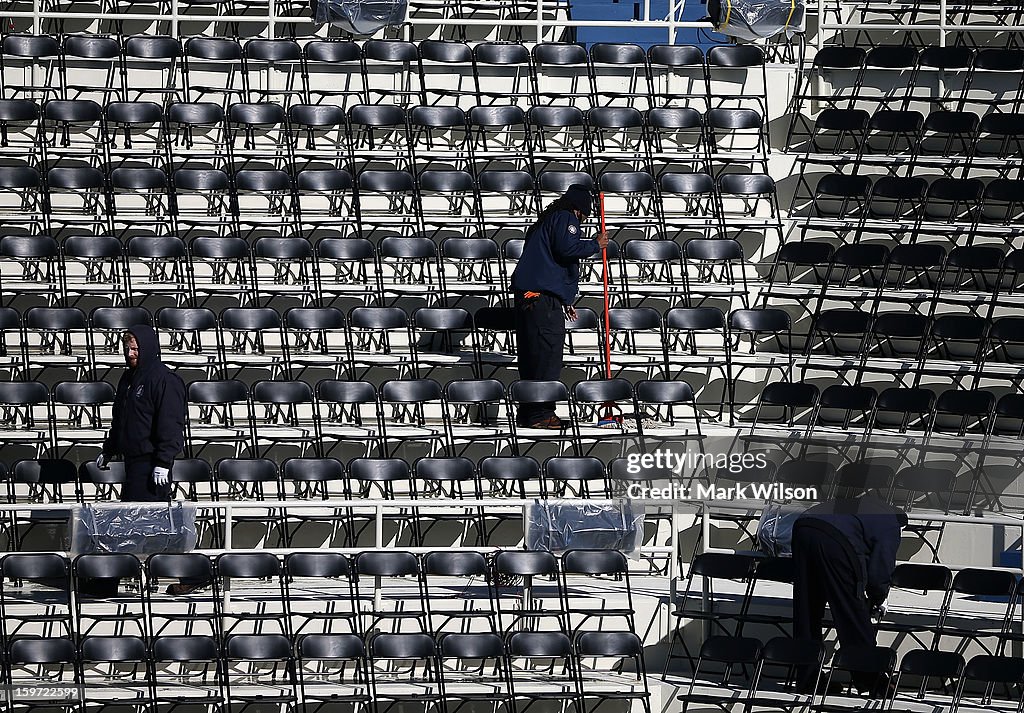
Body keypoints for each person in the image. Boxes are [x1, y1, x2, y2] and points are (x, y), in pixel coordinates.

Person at [93, 324, 201, 595]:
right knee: (129, 521)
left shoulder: (164, 379)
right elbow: (120, 420)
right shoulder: (128, 379)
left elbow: (171, 424)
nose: (130, 353)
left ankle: (193, 574)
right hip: (132, 463)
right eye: (127, 348)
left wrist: (163, 461)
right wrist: (109, 449)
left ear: (148, 348)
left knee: (154, 524)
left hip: (152, 464)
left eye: (135, 348)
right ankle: (111, 579)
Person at [509, 184, 609, 429]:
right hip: (542, 300)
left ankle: (529, 413)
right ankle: (542, 413)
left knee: (532, 358)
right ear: (580, 209)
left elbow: (547, 263)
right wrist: (595, 244)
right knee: (547, 356)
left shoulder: (546, 221)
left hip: (531, 297)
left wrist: (564, 300)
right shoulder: (567, 218)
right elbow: (566, 249)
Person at [792, 493, 907, 695]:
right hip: (834, 539)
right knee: (852, 613)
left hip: (803, 526)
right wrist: (878, 597)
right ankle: (872, 681)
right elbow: (881, 567)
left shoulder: (865, 506)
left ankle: (808, 679)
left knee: (807, 611)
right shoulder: (890, 524)